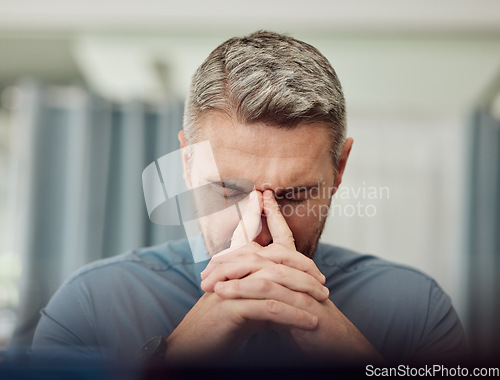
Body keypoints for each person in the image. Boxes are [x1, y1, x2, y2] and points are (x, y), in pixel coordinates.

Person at [29, 31, 468, 368]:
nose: (259, 227)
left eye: (294, 194)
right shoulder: (91, 304)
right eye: (228, 190)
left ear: (339, 170)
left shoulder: (417, 309)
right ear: (187, 164)